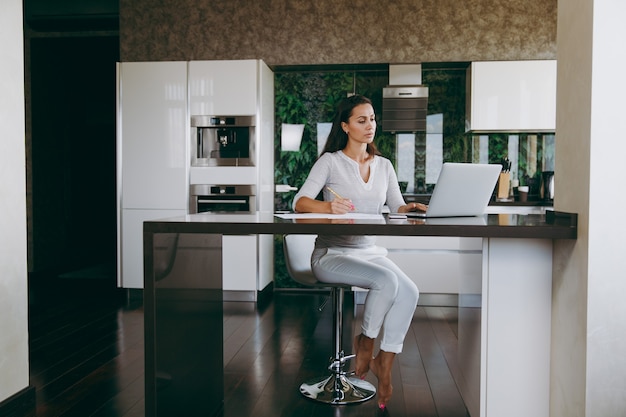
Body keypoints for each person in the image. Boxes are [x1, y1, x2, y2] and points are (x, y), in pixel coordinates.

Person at [292, 94, 427, 409]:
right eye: (361, 120)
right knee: (387, 282)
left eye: (373, 119)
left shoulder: (384, 166)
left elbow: (396, 206)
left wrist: (410, 208)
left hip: (369, 252)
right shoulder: (331, 161)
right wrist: (328, 206)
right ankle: (365, 343)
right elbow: (300, 202)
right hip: (331, 254)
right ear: (345, 126)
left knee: (409, 291)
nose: (370, 126)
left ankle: (384, 363)